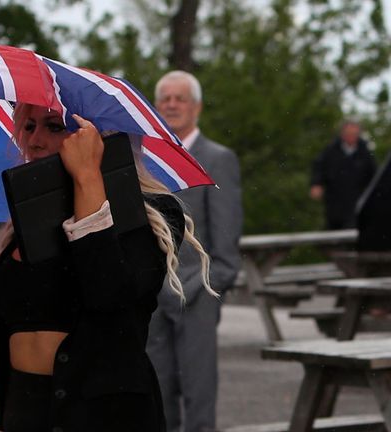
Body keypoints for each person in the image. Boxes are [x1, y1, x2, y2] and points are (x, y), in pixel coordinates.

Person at [0, 103, 215, 431]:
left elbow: (110, 299)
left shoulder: (149, 212)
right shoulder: (22, 226)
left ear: (98, 136)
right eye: (29, 127)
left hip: (102, 416)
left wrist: (88, 176)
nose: (35, 140)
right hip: (24, 410)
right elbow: (5, 341)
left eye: (54, 126)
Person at [146, 70, 243, 432]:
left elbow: (226, 240)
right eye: (165, 99)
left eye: (180, 98)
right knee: (157, 393)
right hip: (152, 297)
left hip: (199, 293)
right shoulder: (146, 158)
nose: (171, 105)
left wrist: (204, 288)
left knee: (198, 396)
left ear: (197, 107)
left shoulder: (218, 159)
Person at [310, 120, 376, 229]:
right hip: (334, 200)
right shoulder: (331, 150)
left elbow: (373, 175)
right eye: (348, 134)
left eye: (354, 134)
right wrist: (316, 184)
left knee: (354, 227)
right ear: (342, 134)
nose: (351, 137)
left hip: (356, 201)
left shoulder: (365, 152)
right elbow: (319, 167)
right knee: (333, 229)